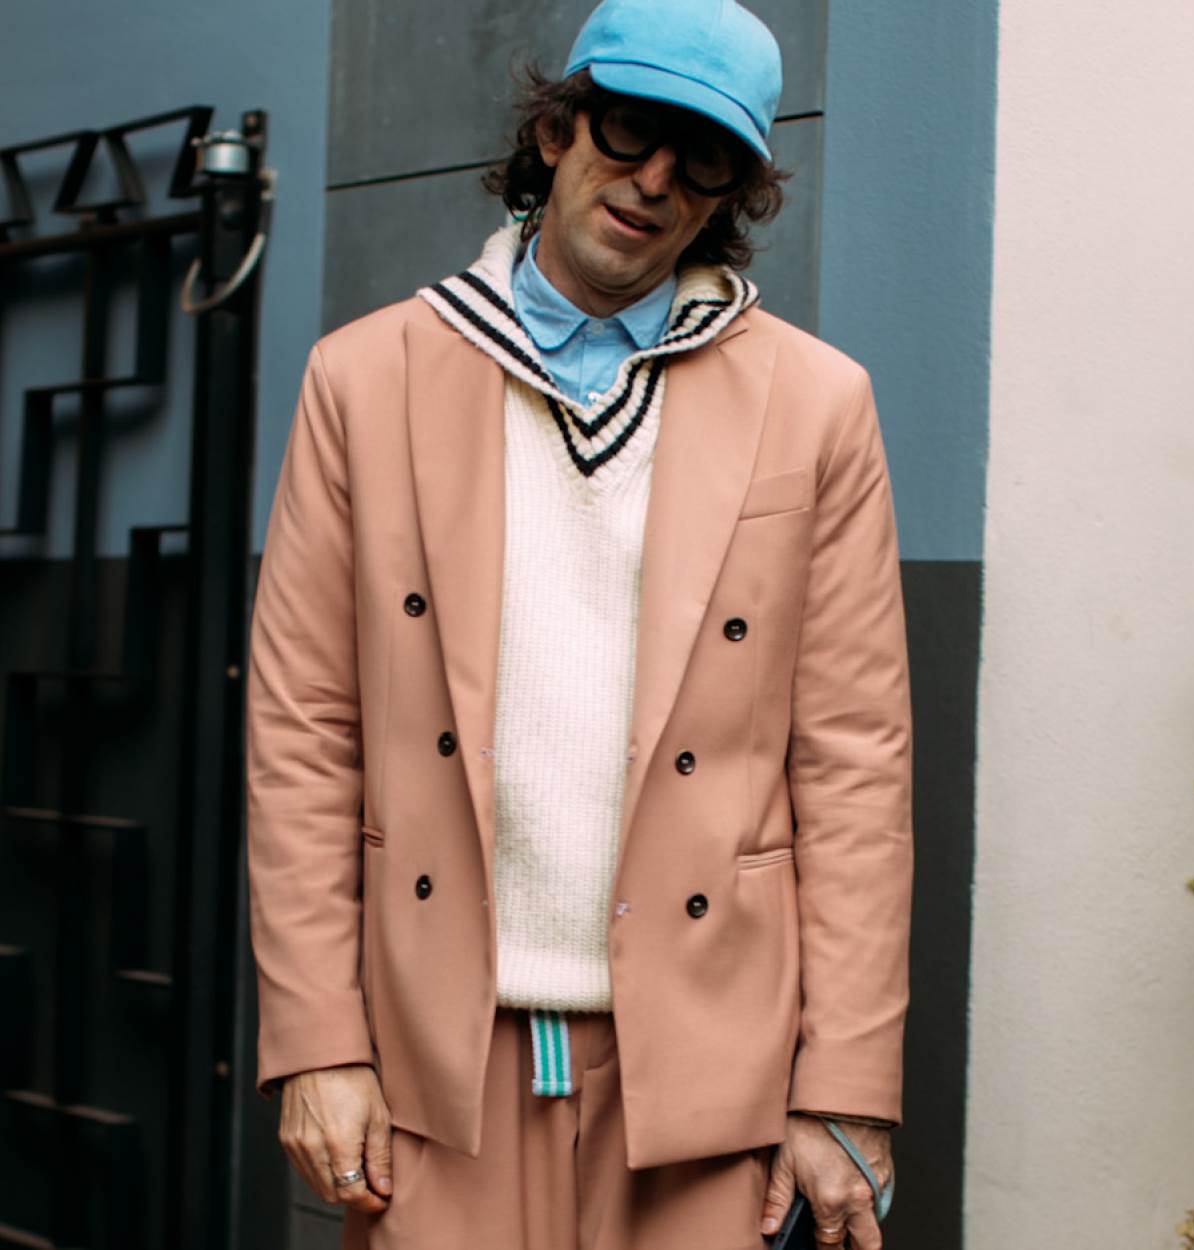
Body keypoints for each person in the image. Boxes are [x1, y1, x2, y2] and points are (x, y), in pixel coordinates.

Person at [245, 0, 914, 1246]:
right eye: (626, 130)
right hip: (433, 1061)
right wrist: (317, 1037)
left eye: (700, 157)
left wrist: (845, 1084)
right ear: (555, 130)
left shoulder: (817, 403)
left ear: (731, 193)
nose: (652, 179)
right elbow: (303, 732)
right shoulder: (366, 378)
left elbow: (854, 761)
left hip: (711, 1072)